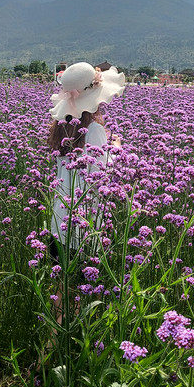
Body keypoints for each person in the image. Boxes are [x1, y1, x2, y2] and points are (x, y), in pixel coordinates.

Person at [48, 62, 125, 251]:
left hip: (60, 221)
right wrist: (116, 148)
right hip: (84, 224)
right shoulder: (94, 129)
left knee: (61, 278)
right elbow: (103, 175)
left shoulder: (61, 128)